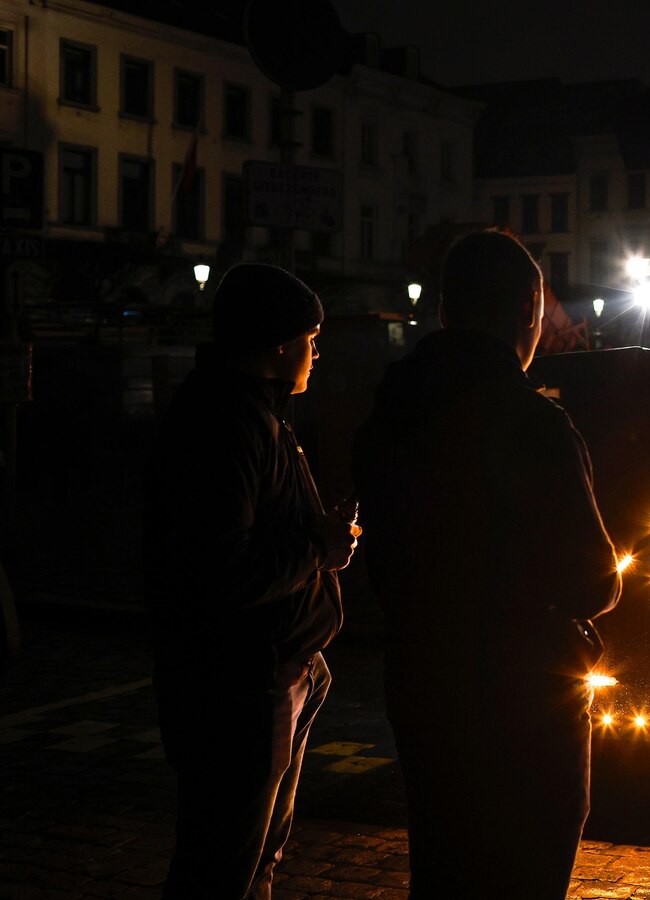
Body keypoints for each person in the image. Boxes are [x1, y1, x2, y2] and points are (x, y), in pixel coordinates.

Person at [352, 230, 622, 898]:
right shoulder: (532, 424)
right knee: (526, 864)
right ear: (530, 312)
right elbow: (593, 579)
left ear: (445, 311)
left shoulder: (392, 410)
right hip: (525, 692)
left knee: (443, 864)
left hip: (422, 677)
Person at [144, 263, 357, 899]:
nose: (316, 355)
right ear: (277, 345)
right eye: (310, 341)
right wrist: (318, 549)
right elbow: (222, 570)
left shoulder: (253, 413)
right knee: (223, 866)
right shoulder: (228, 424)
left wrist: (317, 540)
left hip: (275, 670)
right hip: (243, 683)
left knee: (255, 857)